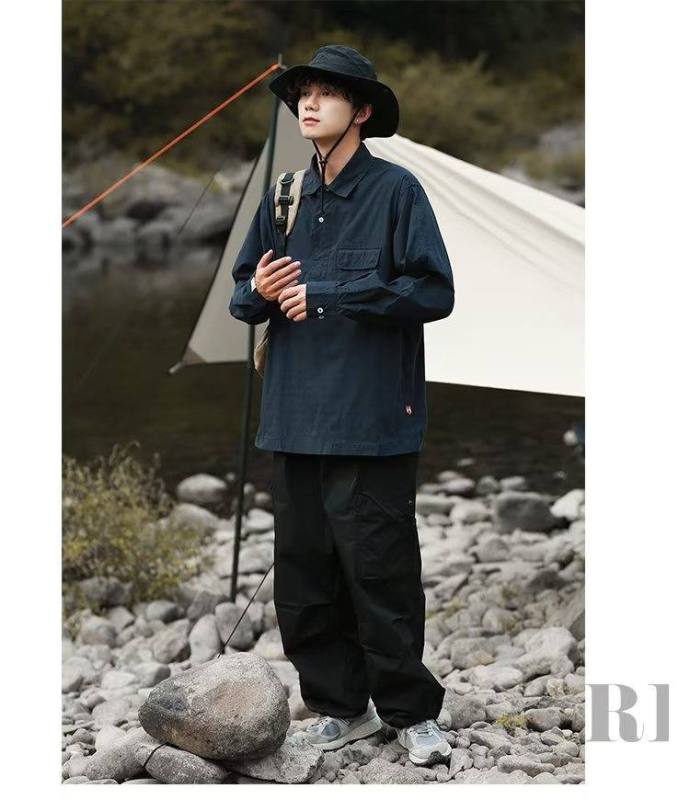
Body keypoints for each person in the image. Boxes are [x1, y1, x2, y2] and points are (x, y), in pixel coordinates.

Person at [229, 45, 455, 767]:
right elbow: (242, 297)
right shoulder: (284, 197)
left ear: (360, 110)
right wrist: (261, 291)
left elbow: (434, 291)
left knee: (380, 571)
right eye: (303, 92)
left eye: (326, 93)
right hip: (293, 418)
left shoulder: (397, 191)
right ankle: (340, 707)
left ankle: (411, 714)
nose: (308, 102)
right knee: (303, 576)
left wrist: (332, 295)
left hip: (372, 420)